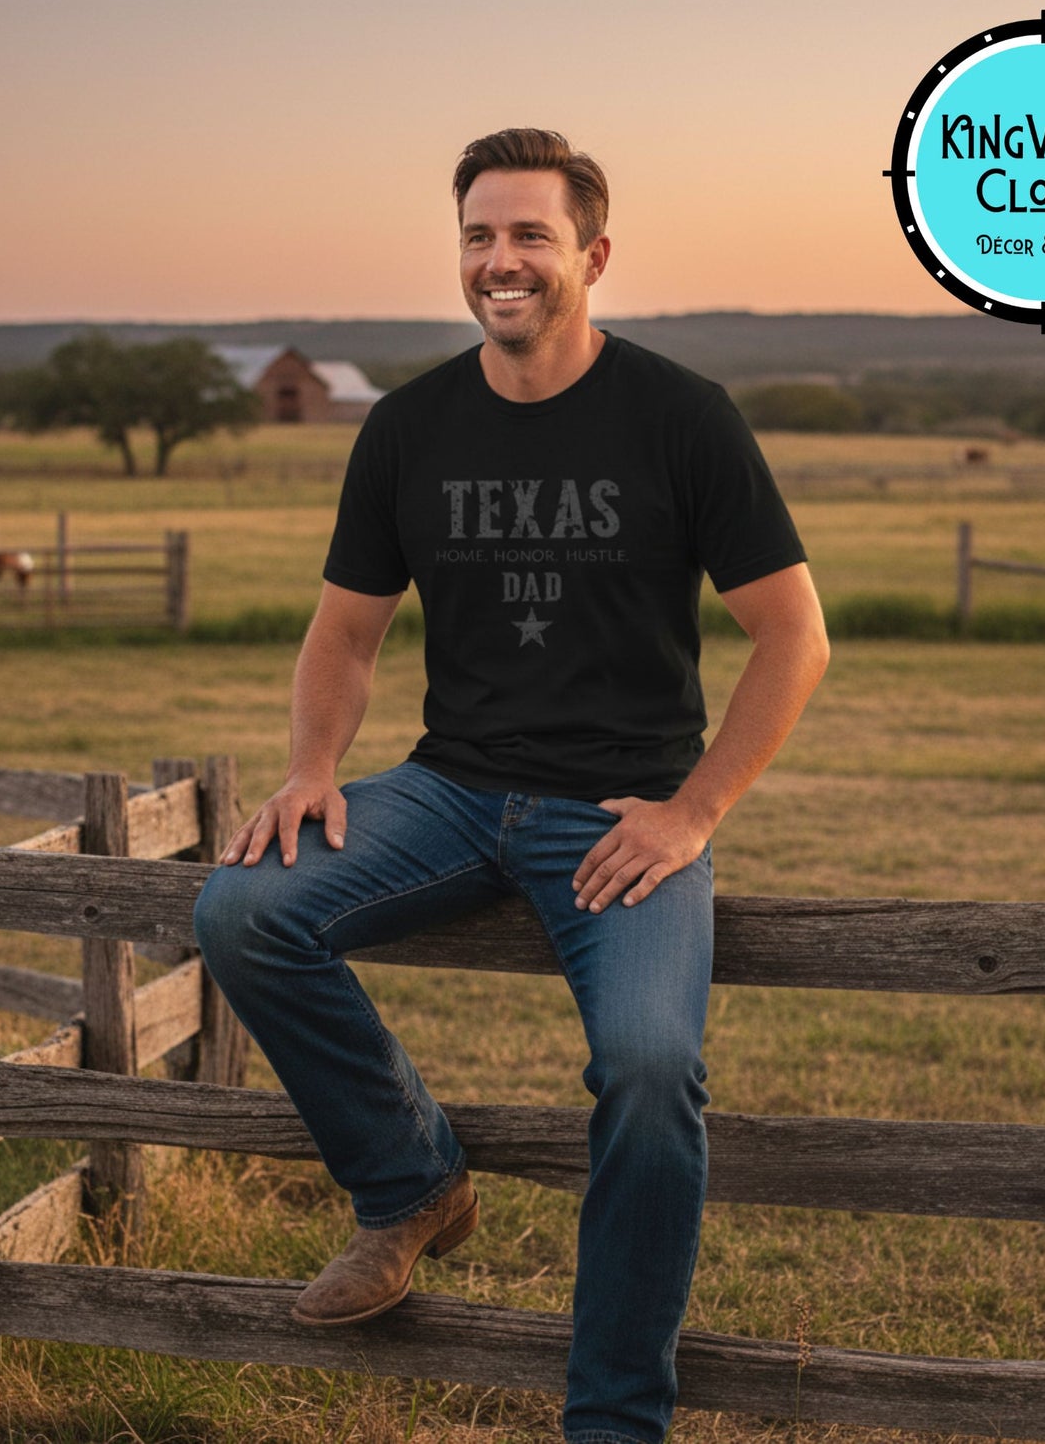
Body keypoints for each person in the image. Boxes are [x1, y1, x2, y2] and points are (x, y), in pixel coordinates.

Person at [193, 127, 829, 1444]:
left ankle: (610, 1419)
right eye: (479, 235)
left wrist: (694, 810)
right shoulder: (411, 427)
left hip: (621, 815)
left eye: (530, 235)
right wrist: (312, 767)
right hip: (450, 791)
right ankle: (411, 1182)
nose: (501, 259)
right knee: (242, 912)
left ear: (592, 256)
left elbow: (793, 635)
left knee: (651, 1070)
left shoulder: (678, 419)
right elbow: (346, 633)